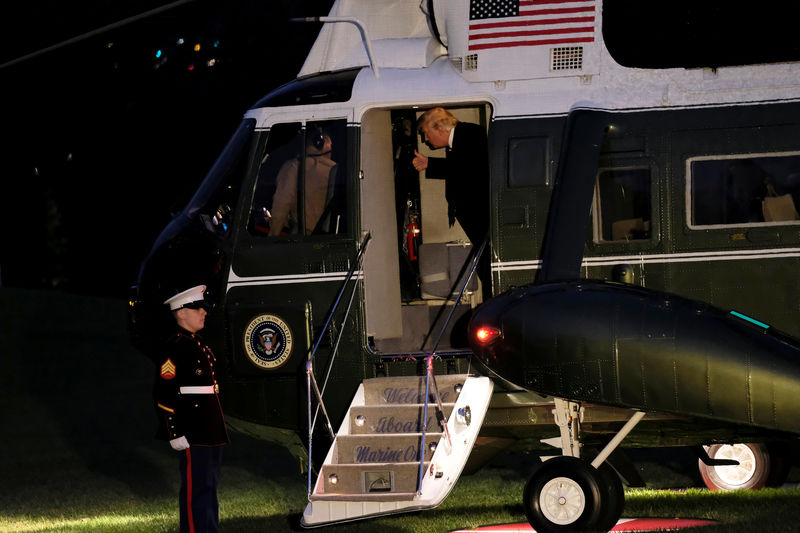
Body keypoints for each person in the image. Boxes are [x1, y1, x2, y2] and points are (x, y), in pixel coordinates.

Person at [154, 284, 229, 533]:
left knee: (209, 485)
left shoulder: (199, 344)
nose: (203, 312)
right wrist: (174, 431)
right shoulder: (175, 346)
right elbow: (164, 393)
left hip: (210, 426)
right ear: (181, 312)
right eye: (197, 308)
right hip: (193, 428)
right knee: (196, 488)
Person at [412, 107, 491, 300]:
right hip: (477, 217)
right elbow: (460, 169)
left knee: (486, 265)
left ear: (439, 128)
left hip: (483, 215)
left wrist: (431, 164)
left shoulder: (471, 134)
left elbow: (471, 169)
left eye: (426, 134)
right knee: (483, 265)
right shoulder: (458, 140)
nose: (425, 140)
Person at [268, 127, 337, 235]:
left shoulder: (294, 167)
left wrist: (272, 235)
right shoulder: (337, 170)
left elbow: (281, 205)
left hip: (303, 241)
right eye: (330, 145)